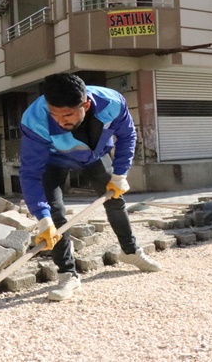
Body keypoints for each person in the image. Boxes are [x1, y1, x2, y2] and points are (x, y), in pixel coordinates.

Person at [20, 73, 161, 301]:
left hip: (94, 156)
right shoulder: (35, 119)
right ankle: (68, 274)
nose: (60, 121)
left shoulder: (112, 103)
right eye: (54, 114)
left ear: (85, 104)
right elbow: (29, 173)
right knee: (55, 216)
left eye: (67, 115)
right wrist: (41, 216)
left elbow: (127, 135)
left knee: (115, 200)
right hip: (52, 160)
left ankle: (131, 252)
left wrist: (120, 173)